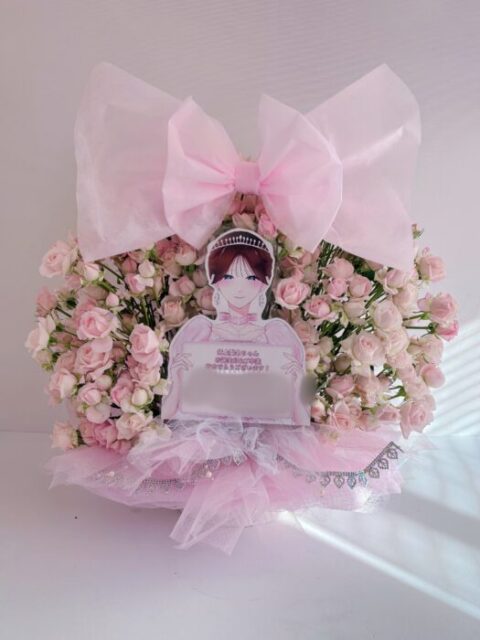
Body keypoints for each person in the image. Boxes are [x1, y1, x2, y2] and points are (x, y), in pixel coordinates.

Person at [161, 229, 310, 426]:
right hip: (205, 434)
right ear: (215, 281)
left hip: (266, 433)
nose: (239, 288)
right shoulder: (198, 331)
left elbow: (300, 422)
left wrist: (297, 387)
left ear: (264, 283)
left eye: (251, 278)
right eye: (229, 277)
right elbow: (168, 415)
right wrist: (177, 380)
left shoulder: (277, 335)